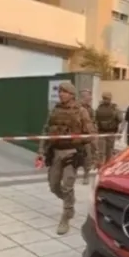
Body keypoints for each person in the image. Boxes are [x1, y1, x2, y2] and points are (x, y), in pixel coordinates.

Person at [35, 81, 96, 235]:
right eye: (60, 91)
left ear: (71, 94)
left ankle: (66, 215)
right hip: (55, 152)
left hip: (72, 153)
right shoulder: (54, 111)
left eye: (65, 91)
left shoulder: (81, 111)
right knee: (54, 186)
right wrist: (41, 150)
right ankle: (70, 202)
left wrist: (82, 141)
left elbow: (91, 134)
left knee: (67, 186)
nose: (61, 94)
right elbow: (46, 130)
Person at [94, 91, 123, 166]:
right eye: (104, 98)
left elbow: (120, 119)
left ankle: (108, 165)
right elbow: (95, 119)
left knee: (109, 151)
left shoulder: (115, 108)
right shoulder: (99, 108)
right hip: (101, 132)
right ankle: (100, 166)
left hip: (110, 132)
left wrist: (120, 130)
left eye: (107, 98)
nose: (105, 100)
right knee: (101, 151)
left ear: (110, 99)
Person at [78, 89, 98, 185]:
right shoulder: (76, 108)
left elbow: (93, 122)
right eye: (89, 96)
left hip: (86, 137)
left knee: (87, 157)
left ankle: (86, 175)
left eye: (90, 96)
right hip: (77, 137)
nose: (90, 98)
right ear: (83, 97)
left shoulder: (90, 109)